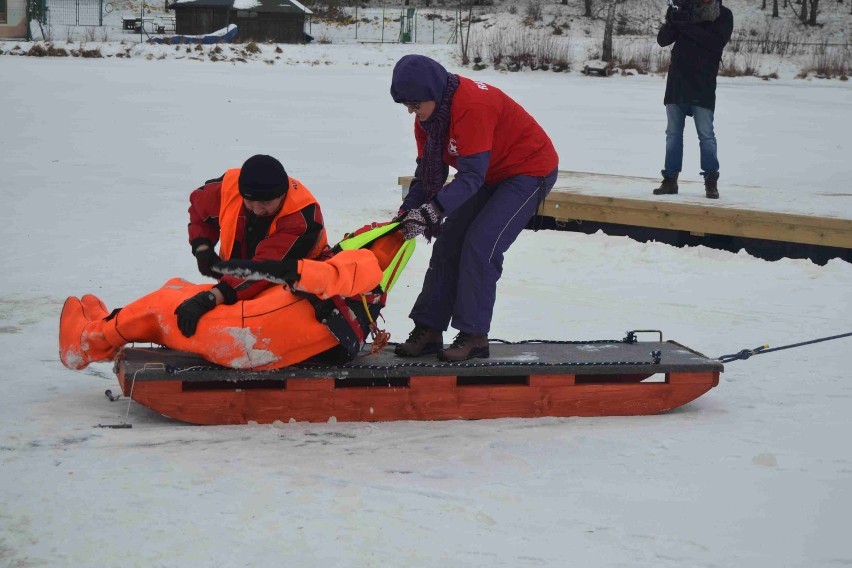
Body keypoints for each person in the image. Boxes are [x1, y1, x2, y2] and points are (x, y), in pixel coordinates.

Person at [389, 54, 559, 362]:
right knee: (449, 241)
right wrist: (406, 214)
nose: (412, 112)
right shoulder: (428, 121)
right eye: (407, 106)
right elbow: (428, 173)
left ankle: (475, 336)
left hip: (528, 171)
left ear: (434, 92)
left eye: (416, 104)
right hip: (489, 174)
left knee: (481, 245)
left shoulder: (471, 107)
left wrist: (430, 212)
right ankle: (429, 328)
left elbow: (470, 177)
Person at [58, 223, 410, 371]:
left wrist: (294, 271)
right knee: (180, 287)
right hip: (260, 333)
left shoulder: (362, 264)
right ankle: (104, 325)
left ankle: (87, 343)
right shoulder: (365, 295)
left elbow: (330, 276)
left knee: (162, 305)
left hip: (244, 338)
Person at [178, 154, 329, 338]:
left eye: (265, 203)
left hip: (290, 285)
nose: (257, 210)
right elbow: (200, 212)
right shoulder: (228, 188)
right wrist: (202, 247)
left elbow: (265, 269)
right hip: (237, 281)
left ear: (282, 194)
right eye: (249, 202)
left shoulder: (302, 218)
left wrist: (212, 297)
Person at [654, 0, 733, 199]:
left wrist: (686, 26)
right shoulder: (683, 10)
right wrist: (672, 21)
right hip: (677, 81)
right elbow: (663, 40)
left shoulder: (722, 15)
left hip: (702, 82)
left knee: (706, 135)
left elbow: (715, 43)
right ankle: (670, 179)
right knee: (673, 134)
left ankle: (711, 181)